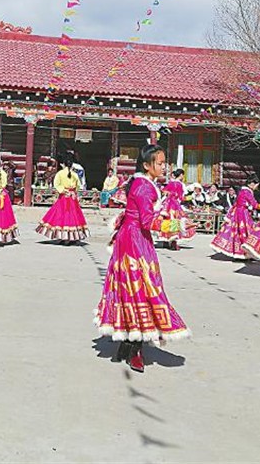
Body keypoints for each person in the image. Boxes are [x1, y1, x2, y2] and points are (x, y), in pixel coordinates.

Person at [94, 144, 190, 373]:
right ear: (147, 165)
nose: (164, 167)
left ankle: (128, 343)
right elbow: (147, 221)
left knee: (130, 287)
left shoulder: (141, 183)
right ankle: (135, 348)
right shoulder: (144, 187)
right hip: (135, 242)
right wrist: (178, 225)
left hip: (131, 238)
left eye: (164, 162)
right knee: (142, 287)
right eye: (160, 163)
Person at [36, 153, 89, 244]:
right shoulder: (75, 174)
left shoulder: (60, 174)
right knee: (72, 216)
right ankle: (70, 237)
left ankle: (62, 236)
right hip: (72, 197)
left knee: (61, 216)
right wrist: (73, 192)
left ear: (63, 164)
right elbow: (78, 186)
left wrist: (64, 191)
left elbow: (56, 184)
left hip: (64, 197)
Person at [210, 173, 260, 260]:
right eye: (256, 185)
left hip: (238, 213)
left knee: (237, 233)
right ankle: (243, 253)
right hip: (243, 214)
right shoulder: (247, 192)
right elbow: (254, 204)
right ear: (252, 183)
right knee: (244, 232)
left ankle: (242, 253)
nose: (256, 188)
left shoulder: (242, 191)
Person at [152, 169, 196, 250]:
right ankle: (173, 243)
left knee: (166, 221)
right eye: (183, 175)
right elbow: (181, 197)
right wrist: (191, 197)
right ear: (181, 175)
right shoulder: (180, 184)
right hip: (175, 205)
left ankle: (165, 241)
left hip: (167, 204)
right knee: (175, 221)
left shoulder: (171, 183)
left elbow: (164, 191)